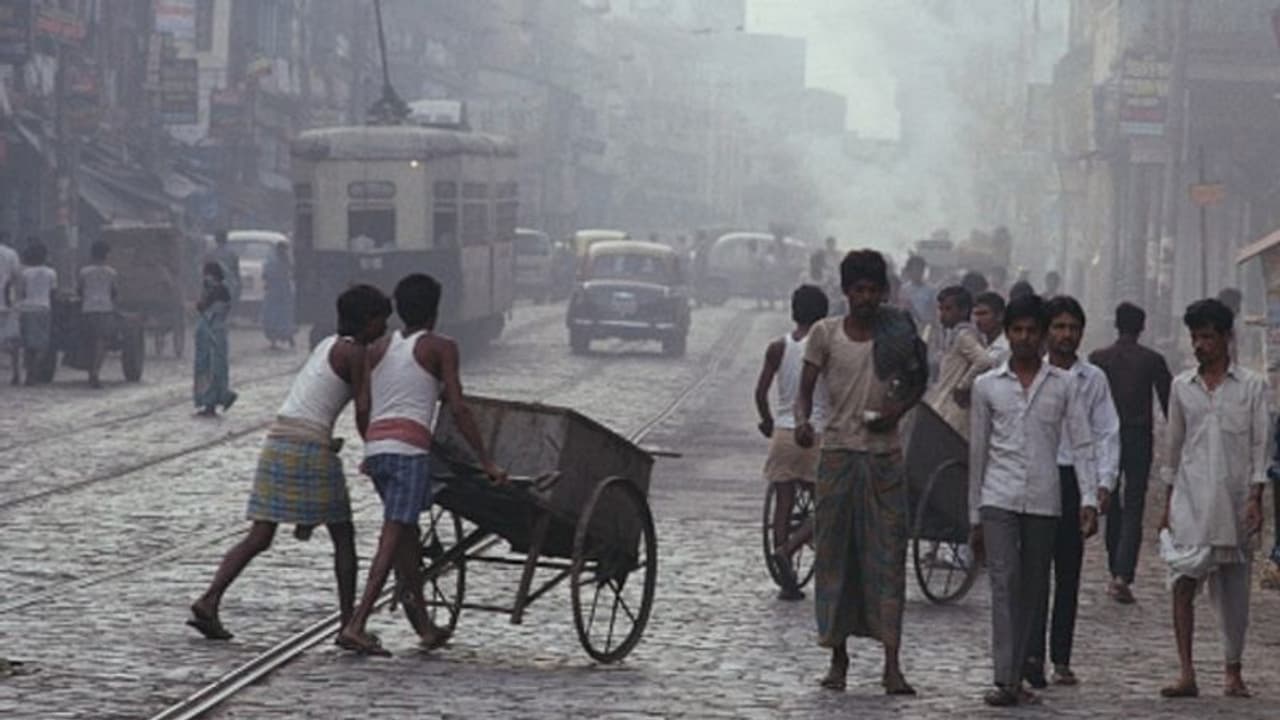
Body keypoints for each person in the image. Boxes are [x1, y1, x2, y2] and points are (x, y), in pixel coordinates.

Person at [187, 285, 392, 640]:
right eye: (381, 321)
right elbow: (363, 408)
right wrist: (374, 449)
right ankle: (349, 624)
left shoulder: (327, 344)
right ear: (367, 321)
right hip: (309, 449)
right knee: (343, 535)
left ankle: (209, 598)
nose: (385, 329)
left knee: (260, 535)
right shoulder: (356, 352)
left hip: (279, 441)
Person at [337, 273, 507, 656]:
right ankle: (357, 623)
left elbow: (363, 406)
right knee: (393, 537)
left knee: (406, 539)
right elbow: (458, 408)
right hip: (409, 453)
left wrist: (371, 444)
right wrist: (486, 461)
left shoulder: (377, 349)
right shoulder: (441, 347)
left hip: (378, 449)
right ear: (436, 310)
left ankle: (425, 626)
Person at [795, 249, 928, 696]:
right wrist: (802, 422)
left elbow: (917, 381)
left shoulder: (898, 333)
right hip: (837, 456)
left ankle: (892, 664)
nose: (866, 298)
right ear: (846, 291)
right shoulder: (825, 333)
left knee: (888, 561)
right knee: (835, 559)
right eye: (859, 290)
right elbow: (805, 390)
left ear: (883, 292)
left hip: (884, 458)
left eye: (873, 290)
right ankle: (838, 658)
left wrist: (896, 412)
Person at [968, 293, 1099, 707]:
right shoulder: (987, 386)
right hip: (998, 497)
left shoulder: (1064, 385)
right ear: (1007, 334)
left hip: (1044, 499)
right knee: (1004, 584)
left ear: (1042, 337)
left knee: (1032, 587)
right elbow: (978, 452)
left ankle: (1022, 669)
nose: (1024, 338)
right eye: (1017, 330)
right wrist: (974, 513)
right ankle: (1004, 678)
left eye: (1031, 331)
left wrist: (1090, 497)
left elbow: (1082, 442)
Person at [1158, 298, 1268, 700]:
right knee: (1182, 582)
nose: (1200, 345)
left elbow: (1260, 446)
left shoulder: (1252, 387)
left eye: (1207, 337)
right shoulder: (1181, 387)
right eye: (1195, 337)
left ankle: (1232, 670)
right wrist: (1167, 504)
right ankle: (1186, 671)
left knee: (1234, 594)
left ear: (1226, 338)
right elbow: (1173, 448)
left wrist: (1256, 497)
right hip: (1190, 501)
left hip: (1234, 503)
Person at [1023, 296, 1119, 689]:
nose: (1066, 335)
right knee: (1033, 573)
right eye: (1059, 327)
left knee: (1068, 572)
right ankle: (1031, 654)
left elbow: (1106, 432)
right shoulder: (1032, 375)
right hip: (1036, 477)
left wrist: (1102, 484)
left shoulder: (1093, 379)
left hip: (1074, 481)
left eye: (1073, 328)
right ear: (1047, 331)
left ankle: (1061, 658)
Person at [1088, 302, 1172, 603]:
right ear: (1142, 327)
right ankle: (1123, 574)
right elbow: (1170, 404)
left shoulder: (1099, 359)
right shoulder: (1152, 360)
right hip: (1138, 436)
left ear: (1116, 324)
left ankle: (1116, 568)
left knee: (1110, 500)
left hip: (1106, 437)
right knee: (1134, 503)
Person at [754, 284, 830, 601]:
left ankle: (784, 572)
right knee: (827, 503)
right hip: (816, 432)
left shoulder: (778, 347)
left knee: (783, 504)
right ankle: (791, 548)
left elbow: (760, 393)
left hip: (784, 434)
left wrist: (767, 420)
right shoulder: (827, 347)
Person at [925, 286, 992, 437]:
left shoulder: (964, 335)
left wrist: (962, 386)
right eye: (941, 309)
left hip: (954, 410)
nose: (942, 314)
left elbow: (984, 361)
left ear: (963, 311)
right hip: (946, 405)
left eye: (948, 309)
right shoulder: (954, 334)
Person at [193, 262, 238, 416]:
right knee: (213, 369)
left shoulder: (218, 291)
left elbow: (203, 306)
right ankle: (215, 400)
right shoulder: (217, 290)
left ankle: (213, 401)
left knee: (211, 369)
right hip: (214, 335)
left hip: (212, 335)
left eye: (207, 275)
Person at [78, 241, 117, 389]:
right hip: (105, 309)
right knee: (101, 342)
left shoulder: (84, 272)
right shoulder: (111, 273)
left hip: (88, 309)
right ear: (106, 255)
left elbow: (80, 290)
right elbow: (114, 292)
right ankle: (95, 371)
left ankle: (90, 370)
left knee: (89, 341)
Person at [17, 241, 57, 386]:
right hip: (43, 309)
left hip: (27, 310)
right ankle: (33, 371)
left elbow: (22, 293)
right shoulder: (51, 273)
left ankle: (29, 372)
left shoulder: (25, 273)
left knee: (28, 345)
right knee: (43, 345)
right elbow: (53, 293)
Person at [261, 242, 296, 350]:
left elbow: (265, 275)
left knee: (277, 316)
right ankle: (284, 338)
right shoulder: (280, 261)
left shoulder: (276, 261)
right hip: (279, 291)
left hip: (278, 291)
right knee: (279, 316)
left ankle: (282, 338)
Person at [0, 232, 19, 385]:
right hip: (5, 301)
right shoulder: (11, 253)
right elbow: (16, 276)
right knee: (11, 339)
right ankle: (16, 373)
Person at [897, 254, 934, 331]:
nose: (917, 272)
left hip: (925, 328)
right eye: (914, 269)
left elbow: (933, 310)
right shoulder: (904, 290)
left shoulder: (930, 290)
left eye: (920, 269)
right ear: (909, 271)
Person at [973, 291, 1010, 366]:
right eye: (976, 314)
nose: (978, 319)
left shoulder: (1007, 347)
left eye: (983, 314)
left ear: (1000, 316)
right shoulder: (978, 343)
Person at [208, 230, 242, 306]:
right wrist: (239, 285)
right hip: (229, 284)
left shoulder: (211, 254)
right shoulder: (232, 254)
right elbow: (236, 271)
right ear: (226, 239)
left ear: (216, 240)